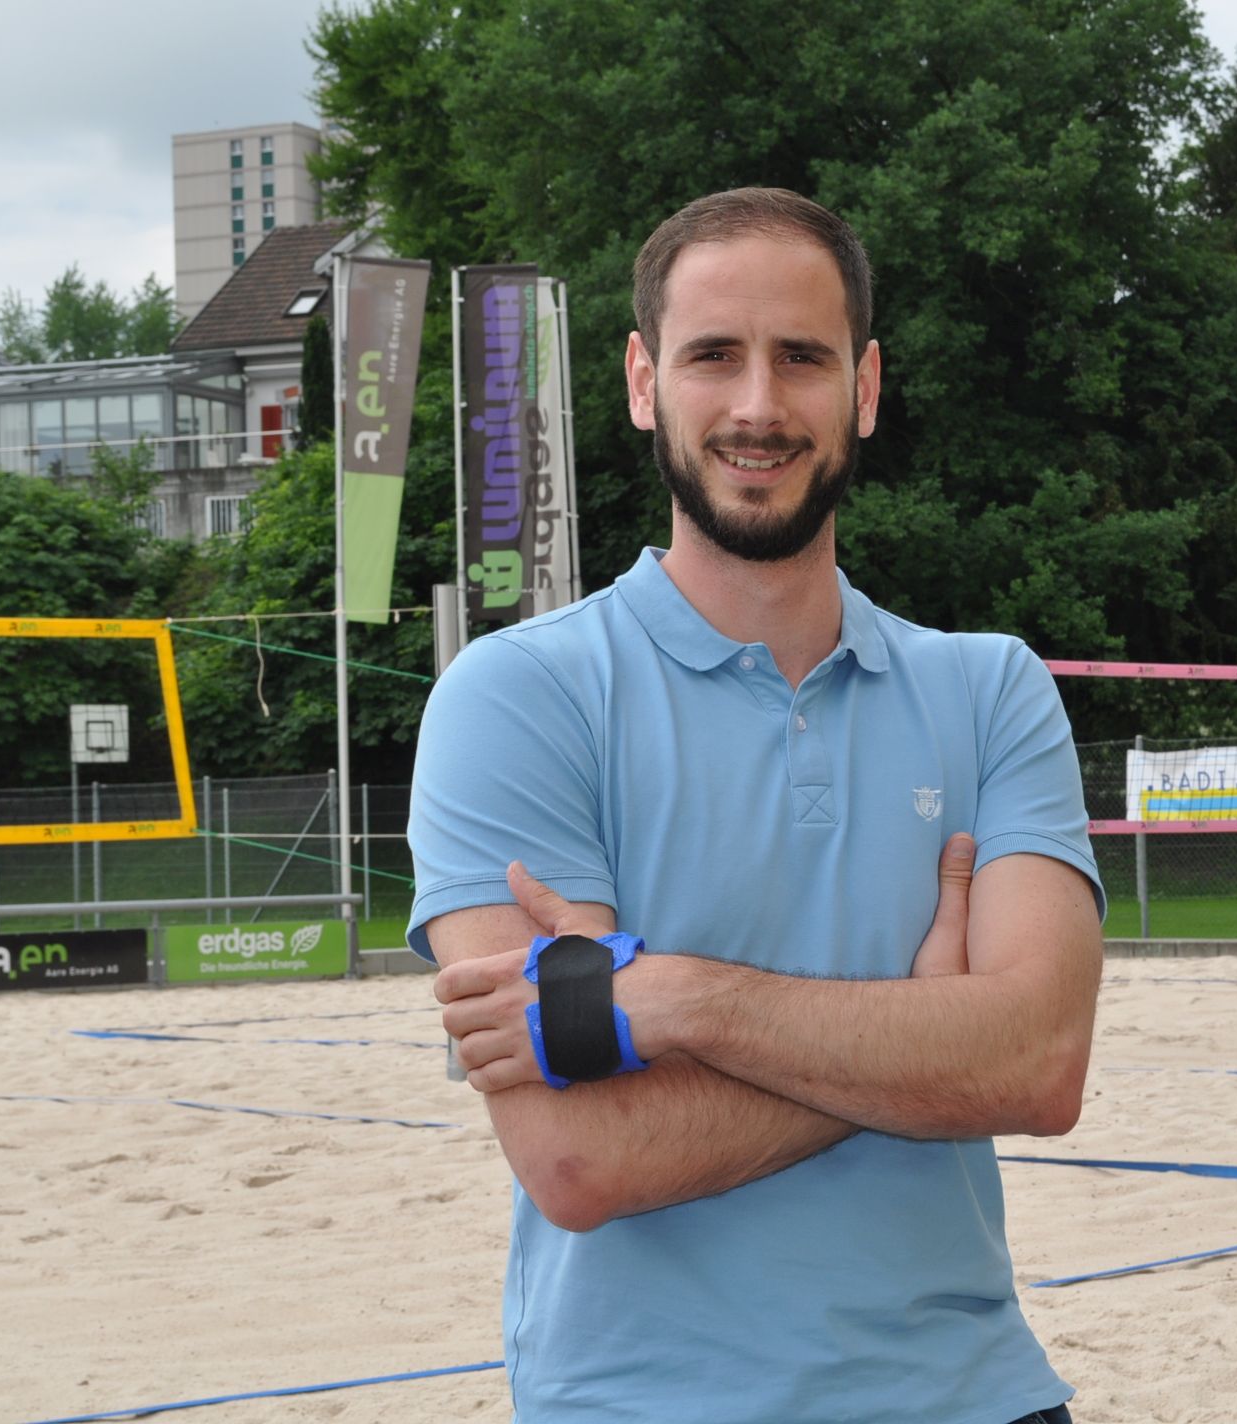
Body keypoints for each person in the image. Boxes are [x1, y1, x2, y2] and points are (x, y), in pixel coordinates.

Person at [408, 187, 1105, 1424]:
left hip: (976, 1395)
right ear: (640, 379)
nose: (757, 406)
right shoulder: (515, 697)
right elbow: (583, 1156)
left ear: (866, 387)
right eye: (712, 355)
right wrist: (928, 1029)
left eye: (802, 358)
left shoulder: (990, 686)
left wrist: (673, 1000)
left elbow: (1039, 1067)